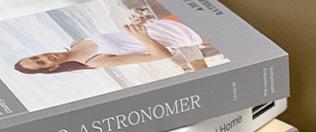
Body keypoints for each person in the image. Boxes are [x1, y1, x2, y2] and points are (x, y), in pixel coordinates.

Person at [14, 18, 202, 74]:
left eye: (36, 56)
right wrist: (142, 36)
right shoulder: (94, 61)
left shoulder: (76, 43)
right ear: (53, 68)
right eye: (41, 63)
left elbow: (128, 39)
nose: (44, 57)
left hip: (166, 21)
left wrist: (137, 25)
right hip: (188, 33)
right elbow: (161, 55)